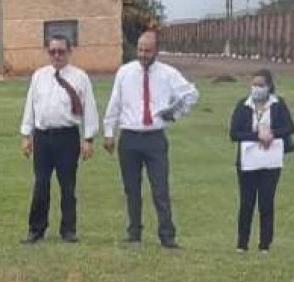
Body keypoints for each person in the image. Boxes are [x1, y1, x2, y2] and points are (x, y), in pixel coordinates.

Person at [103, 30, 199, 248]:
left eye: (147, 51)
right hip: (129, 138)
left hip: (154, 138)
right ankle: (134, 233)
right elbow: (114, 103)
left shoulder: (168, 74)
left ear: (156, 50)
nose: (143, 54)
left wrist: (174, 113)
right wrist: (109, 132)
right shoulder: (124, 72)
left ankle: (167, 236)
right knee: (132, 189)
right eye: (139, 50)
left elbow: (192, 94)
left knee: (160, 188)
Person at [20, 34, 99, 245]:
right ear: (48, 52)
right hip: (43, 138)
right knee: (41, 184)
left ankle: (68, 230)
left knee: (67, 186)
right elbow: (31, 106)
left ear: (69, 52)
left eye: (61, 51)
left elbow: (89, 107)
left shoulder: (80, 77)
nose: (56, 55)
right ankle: (36, 229)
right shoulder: (39, 76)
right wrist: (26, 135)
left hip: (67, 138)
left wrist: (88, 138)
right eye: (52, 51)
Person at [229, 69, 294, 254]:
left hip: (271, 160)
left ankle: (265, 244)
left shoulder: (278, 105)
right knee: (246, 202)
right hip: (248, 160)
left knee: (266, 202)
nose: (257, 88)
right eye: (254, 84)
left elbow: (289, 127)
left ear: (269, 86)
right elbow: (234, 133)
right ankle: (242, 243)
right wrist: (257, 136)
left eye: (261, 85)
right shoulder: (243, 105)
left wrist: (272, 134)